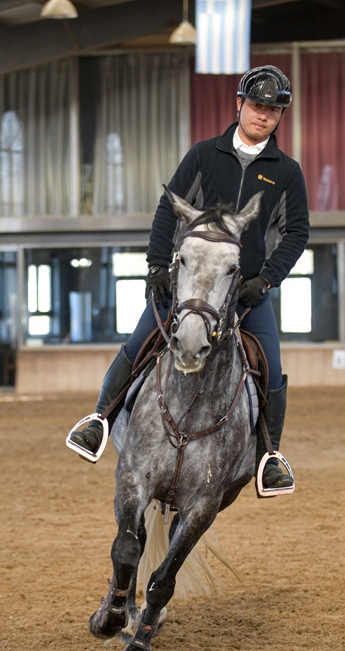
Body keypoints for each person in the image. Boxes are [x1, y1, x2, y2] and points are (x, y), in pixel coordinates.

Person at [67, 65, 310, 493]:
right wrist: (158, 266)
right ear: (239, 104)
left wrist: (267, 280)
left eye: (273, 110)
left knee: (270, 366)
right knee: (140, 340)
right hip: (188, 285)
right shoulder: (203, 155)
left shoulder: (286, 171)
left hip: (245, 291)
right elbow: (169, 208)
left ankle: (270, 456)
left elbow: (297, 233)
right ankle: (99, 419)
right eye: (257, 105)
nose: (264, 115)